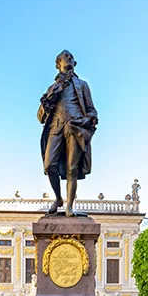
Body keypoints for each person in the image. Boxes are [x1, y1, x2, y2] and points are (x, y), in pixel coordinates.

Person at [37, 50, 98, 217]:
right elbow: (40, 117)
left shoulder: (82, 85)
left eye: (71, 57)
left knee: (72, 169)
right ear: (58, 64)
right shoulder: (52, 88)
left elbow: (92, 111)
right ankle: (58, 199)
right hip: (55, 127)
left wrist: (87, 120)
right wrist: (45, 104)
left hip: (74, 127)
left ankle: (69, 206)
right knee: (49, 165)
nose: (69, 59)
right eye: (66, 57)